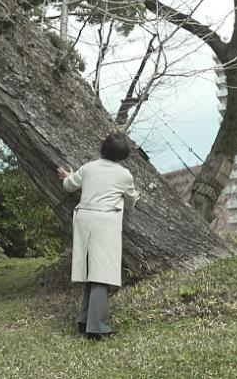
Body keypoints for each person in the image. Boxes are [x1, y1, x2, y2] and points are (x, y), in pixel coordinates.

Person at [57, 131, 139, 341]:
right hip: (105, 221)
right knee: (102, 273)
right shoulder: (124, 175)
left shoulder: (88, 168)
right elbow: (130, 202)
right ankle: (99, 328)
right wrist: (134, 196)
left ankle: (85, 321)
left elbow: (69, 185)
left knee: (91, 271)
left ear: (102, 148)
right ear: (123, 155)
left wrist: (68, 176)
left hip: (84, 219)